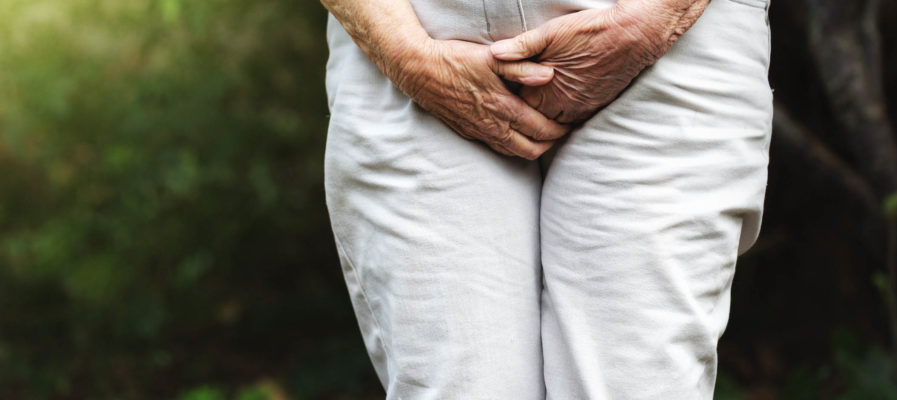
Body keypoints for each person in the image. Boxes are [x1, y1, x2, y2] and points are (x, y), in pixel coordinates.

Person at [320, 0, 772, 398]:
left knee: (634, 383)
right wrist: (407, 55)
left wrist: (651, 21)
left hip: (669, 41)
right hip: (411, 35)